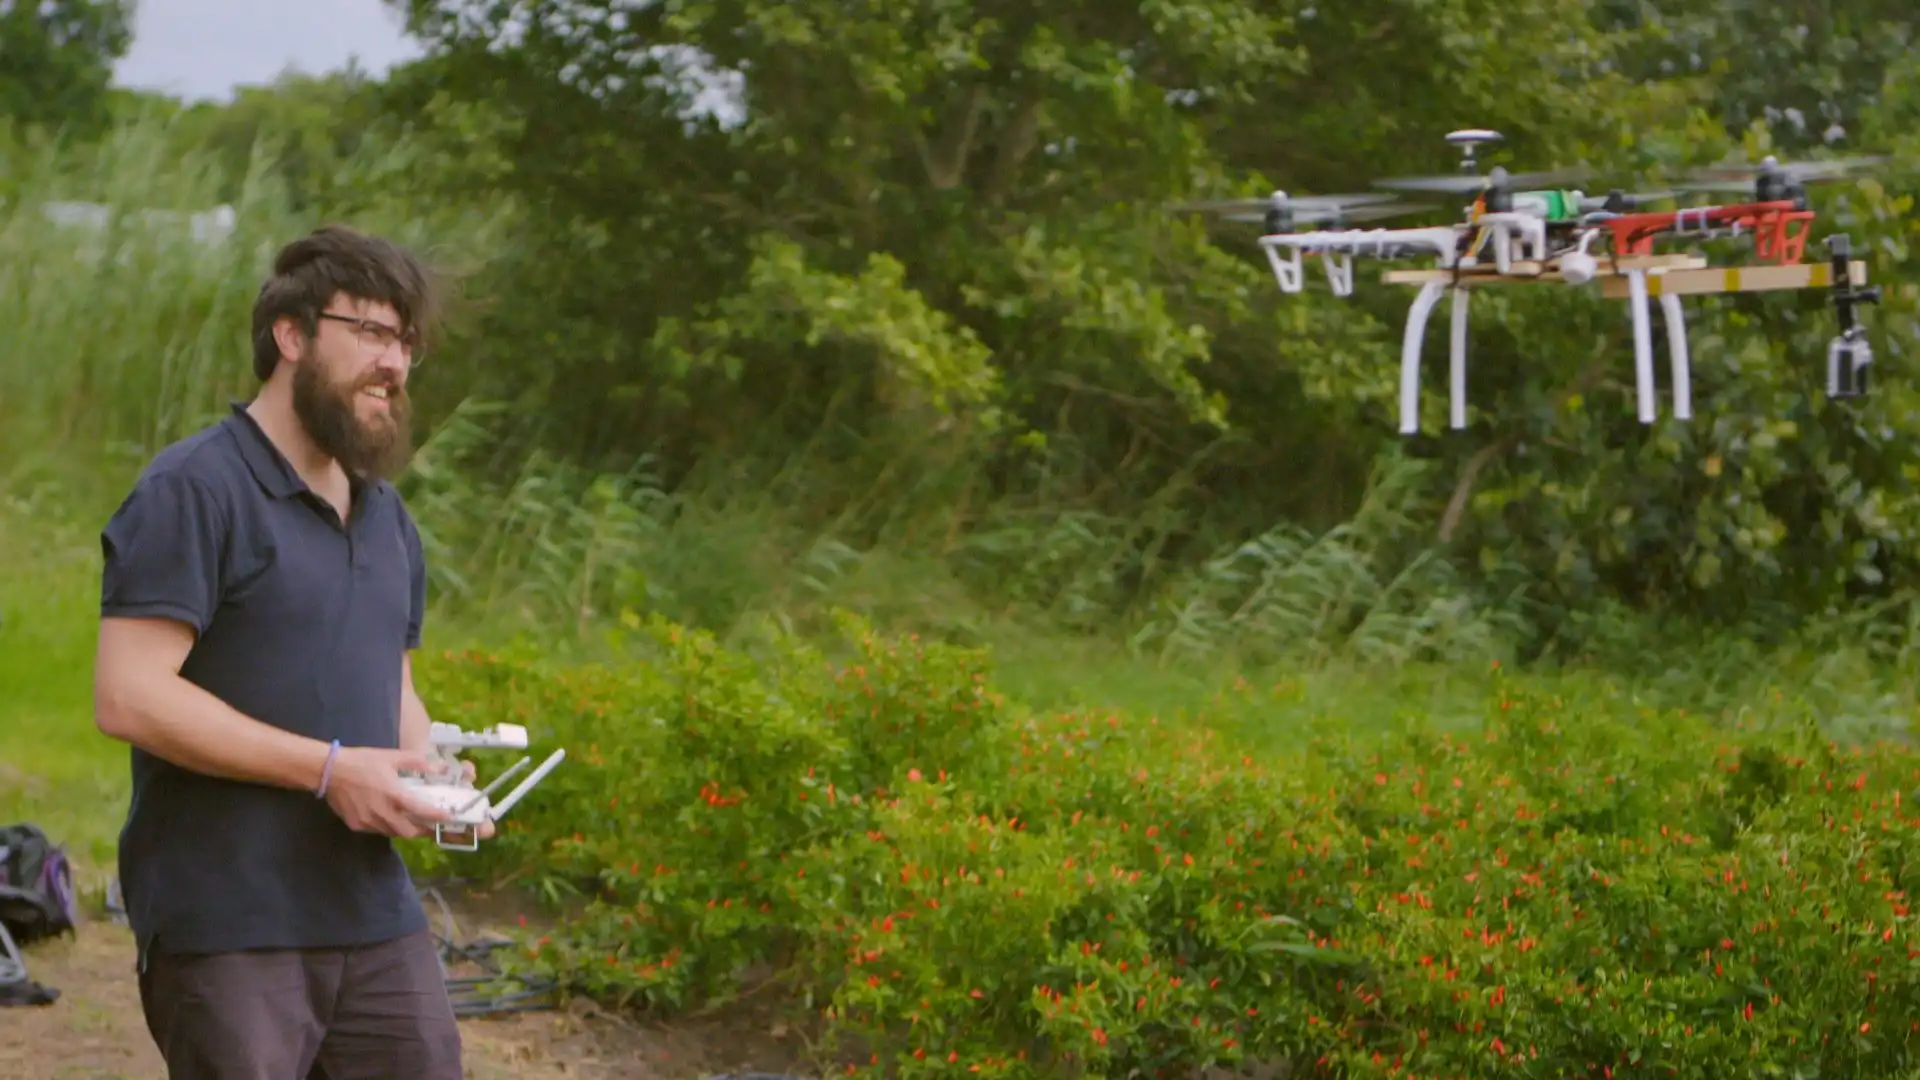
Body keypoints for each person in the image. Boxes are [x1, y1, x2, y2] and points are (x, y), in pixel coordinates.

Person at [91, 224, 483, 1079]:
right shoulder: (195, 490)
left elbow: (394, 685)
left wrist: (429, 771)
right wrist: (330, 770)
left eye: (407, 341)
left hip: (372, 914)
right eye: (373, 333)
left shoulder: (387, 516)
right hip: (230, 922)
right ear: (292, 335)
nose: (396, 364)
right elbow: (129, 694)